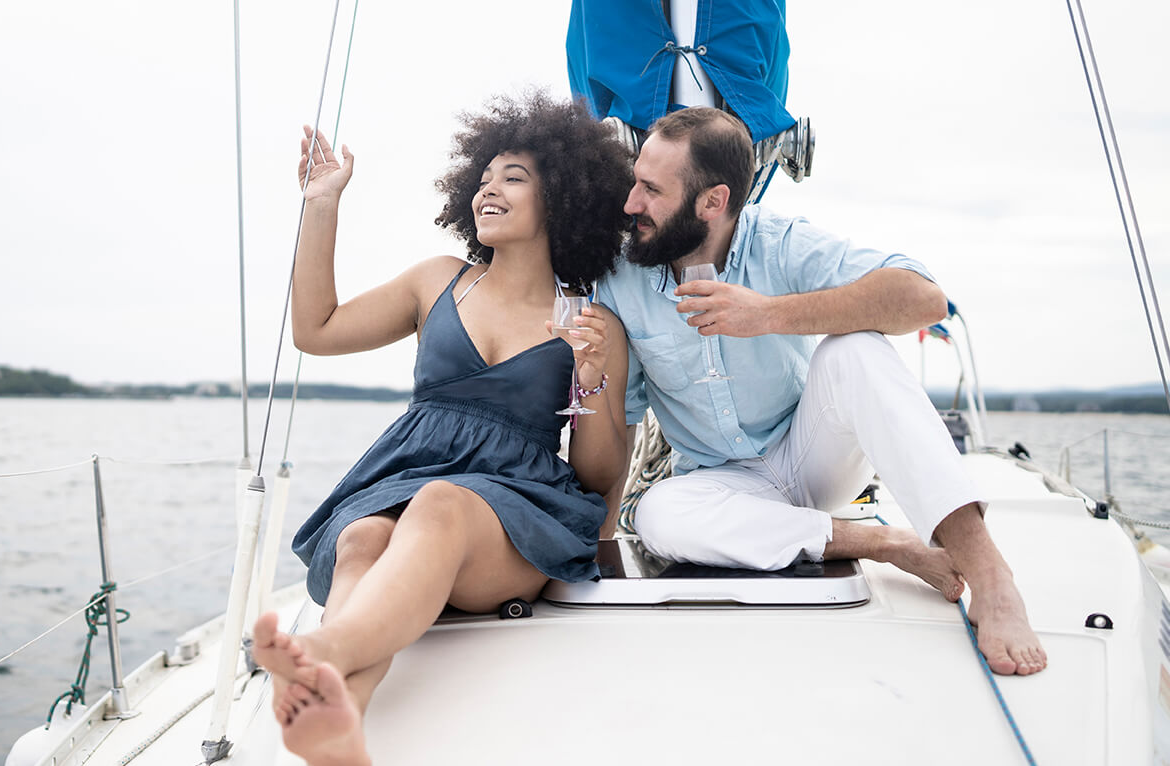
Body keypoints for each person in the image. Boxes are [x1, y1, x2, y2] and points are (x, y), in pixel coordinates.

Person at [593, 105, 1047, 676]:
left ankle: (991, 575)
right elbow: (622, 419)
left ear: (713, 202)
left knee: (855, 351)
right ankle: (884, 544)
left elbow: (922, 298)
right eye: (636, 182)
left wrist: (770, 314)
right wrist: (602, 550)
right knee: (659, 514)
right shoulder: (619, 276)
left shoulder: (778, 242)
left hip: (812, 455)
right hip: (720, 480)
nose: (632, 203)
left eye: (651, 189)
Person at [251, 92, 634, 765]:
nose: (489, 189)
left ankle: (324, 651)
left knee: (442, 503)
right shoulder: (436, 282)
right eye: (483, 179)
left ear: (563, 200)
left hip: (516, 524)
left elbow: (602, 475)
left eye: (513, 178)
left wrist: (592, 374)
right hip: (403, 489)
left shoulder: (590, 323)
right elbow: (316, 330)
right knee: (366, 534)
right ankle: (342, 719)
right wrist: (322, 205)